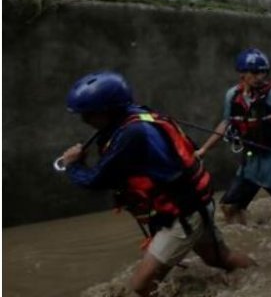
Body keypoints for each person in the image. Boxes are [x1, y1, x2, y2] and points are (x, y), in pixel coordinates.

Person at [60, 71, 254, 297]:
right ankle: (266, 276)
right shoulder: (141, 115)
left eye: (88, 115)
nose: (85, 120)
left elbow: (96, 180)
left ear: (107, 111)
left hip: (183, 215)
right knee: (220, 258)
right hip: (195, 205)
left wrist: (73, 166)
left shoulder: (131, 134)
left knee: (141, 286)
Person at [195, 48, 271, 225]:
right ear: (242, 74)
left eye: (264, 72)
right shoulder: (232, 96)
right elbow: (225, 123)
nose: (261, 76)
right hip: (251, 162)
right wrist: (204, 149)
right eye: (256, 72)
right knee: (229, 206)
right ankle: (246, 231)